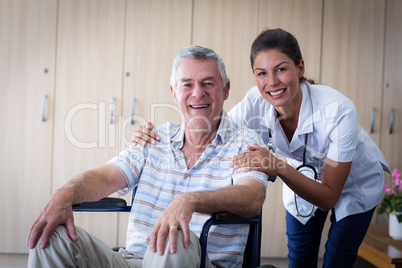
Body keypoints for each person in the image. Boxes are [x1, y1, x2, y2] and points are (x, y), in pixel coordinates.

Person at [132, 28, 390, 268]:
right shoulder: (254, 103)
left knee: (338, 257)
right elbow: (216, 130)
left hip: (354, 182)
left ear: (300, 68)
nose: (272, 82)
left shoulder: (337, 110)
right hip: (301, 176)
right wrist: (157, 136)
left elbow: (328, 196)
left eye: (281, 69)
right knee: (300, 257)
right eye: (261, 73)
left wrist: (278, 166)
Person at [26, 46, 270, 268]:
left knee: (174, 235)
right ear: (174, 92)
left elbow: (251, 197)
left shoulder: (245, 142)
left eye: (208, 83)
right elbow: (104, 177)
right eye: (187, 84)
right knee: (52, 235)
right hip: (132, 261)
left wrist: (191, 200)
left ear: (225, 89)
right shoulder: (154, 138)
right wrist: (64, 194)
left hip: (202, 262)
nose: (198, 93)